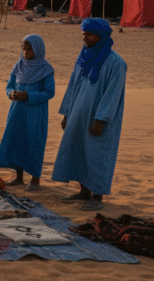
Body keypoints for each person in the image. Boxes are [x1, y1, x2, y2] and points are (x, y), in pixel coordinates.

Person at [51, 18, 127, 211]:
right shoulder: (83, 57)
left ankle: (97, 197)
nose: (84, 38)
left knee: (98, 155)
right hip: (78, 113)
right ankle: (83, 192)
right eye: (83, 34)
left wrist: (101, 119)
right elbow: (73, 85)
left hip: (99, 118)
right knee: (79, 152)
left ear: (100, 36)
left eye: (89, 34)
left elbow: (113, 94)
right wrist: (67, 113)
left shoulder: (116, 63)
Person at [0, 34, 56, 190]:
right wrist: (11, 94)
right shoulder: (18, 66)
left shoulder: (45, 69)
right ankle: (19, 178)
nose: (26, 51)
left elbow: (50, 92)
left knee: (34, 142)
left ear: (37, 49)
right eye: (24, 48)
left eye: (29, 48)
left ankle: (35, 180)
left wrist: (29, 95)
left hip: (35, 113)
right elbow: (9, 85)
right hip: (17, 110)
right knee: (18, 141)